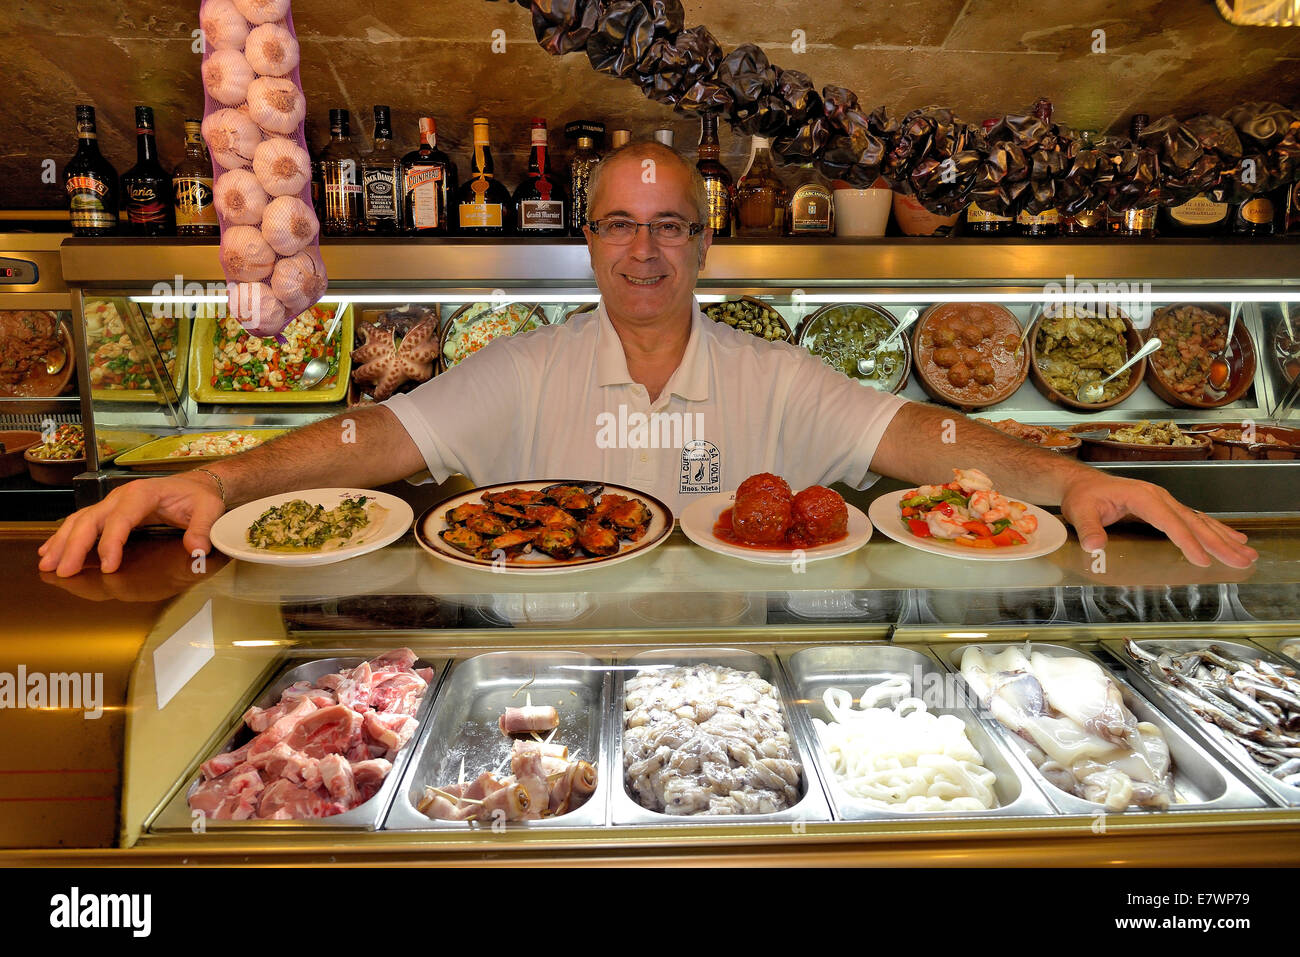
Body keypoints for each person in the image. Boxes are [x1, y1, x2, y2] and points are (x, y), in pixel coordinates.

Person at [38, 142, 1256, 576]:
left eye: (669, 223)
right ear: (588, 244)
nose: (644, 247)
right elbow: (368, 439)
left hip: (750, 663)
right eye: (619, 223)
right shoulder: (527, 369)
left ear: (702, 244)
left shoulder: (775, 375)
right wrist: (216, 482)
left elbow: (926, 439)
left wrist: (1066, 479)